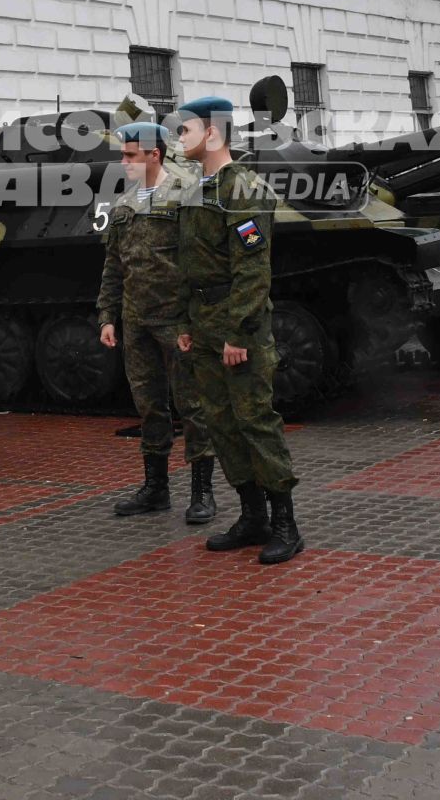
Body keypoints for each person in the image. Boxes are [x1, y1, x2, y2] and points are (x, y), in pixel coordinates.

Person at [172, 95, 302, 564]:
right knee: (222, 424)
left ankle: (285, 523)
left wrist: (237, 333)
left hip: (235, 326)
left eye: (185, 129)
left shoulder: (243, 190)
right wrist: (186, 324)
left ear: (212, 133)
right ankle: (253, 517)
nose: (177, 137)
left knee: (255, 421)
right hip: (203, 327)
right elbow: (190, 267)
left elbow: (252, 270)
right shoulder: (193, 190)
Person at [96, 121, 216, 523]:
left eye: (131, 155)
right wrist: (107, 317)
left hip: (176, 322)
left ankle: (202, 492)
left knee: (192, 406)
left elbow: (200, 263)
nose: (124, 162)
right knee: (149, 407)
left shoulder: (185, 198)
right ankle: (155, 489)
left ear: (154, 154)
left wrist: (194, 320)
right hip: (136, 323)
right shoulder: (124, 205)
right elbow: (113, 267)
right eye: (123, 155)